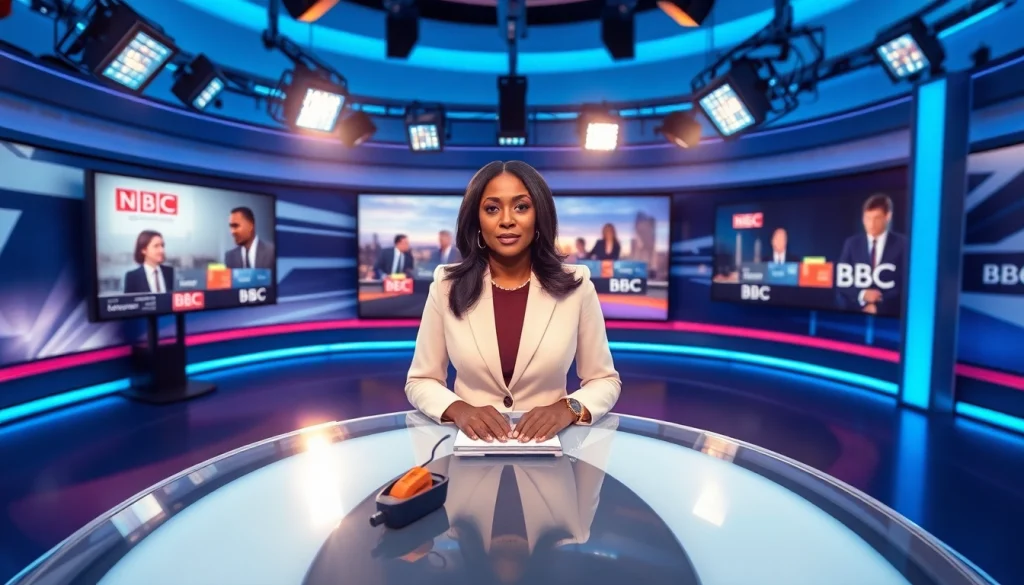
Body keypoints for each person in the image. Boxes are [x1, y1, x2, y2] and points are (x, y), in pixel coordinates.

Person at [406, 160, 621, 443]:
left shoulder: (577, 285)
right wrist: (458, 409)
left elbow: (604, 380)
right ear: (477, 220)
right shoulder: (446, 285)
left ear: (539, 216)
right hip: (471, 456)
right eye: (492, 208)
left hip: (552, 456)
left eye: (521, 206)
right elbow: (421, 380)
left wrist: (568, 407)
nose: (507, 219)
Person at [836, 193, 907, 316]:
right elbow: (841, 282)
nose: (871, 224)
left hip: (891, 316)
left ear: (887, 217)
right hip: (856, 314)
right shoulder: (852, 244)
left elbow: (906, 284)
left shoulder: (903, 244)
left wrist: (879, 304)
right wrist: (863, 295)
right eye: (867, 218)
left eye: (877, 218)